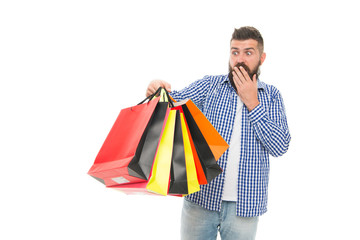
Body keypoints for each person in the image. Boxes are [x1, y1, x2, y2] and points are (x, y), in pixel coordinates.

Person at [146, 26, 291, 240]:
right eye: (235, 52)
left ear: (262, 58)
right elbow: (170, 104)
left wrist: (253, 103)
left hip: (245, 207)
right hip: (201, 199)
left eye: (248, 52)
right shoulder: (210, 85)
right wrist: (155, 91)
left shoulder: (271, 96)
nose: (240, 59)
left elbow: (280, 147)